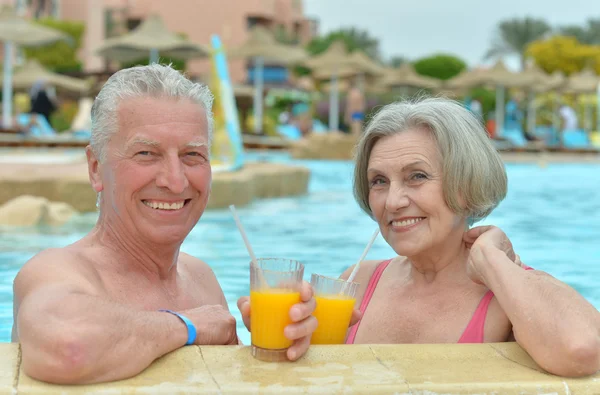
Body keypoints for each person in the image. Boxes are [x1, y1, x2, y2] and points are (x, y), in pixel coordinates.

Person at [11, 64, 318, 385]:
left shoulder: (201, 279)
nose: (175, 181)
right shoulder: (56, 271)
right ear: (96, 168)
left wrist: (279, 348)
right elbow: (69, 350)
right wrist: (188, 325)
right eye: (146, 153)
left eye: (192, 155)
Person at [340, 97, 600, 377]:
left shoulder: (508, 296)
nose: (392, 202)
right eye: (379, 181)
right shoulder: (357, 283)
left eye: (416, 176)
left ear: (466, 184)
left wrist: (490, 259)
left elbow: (581, 350)